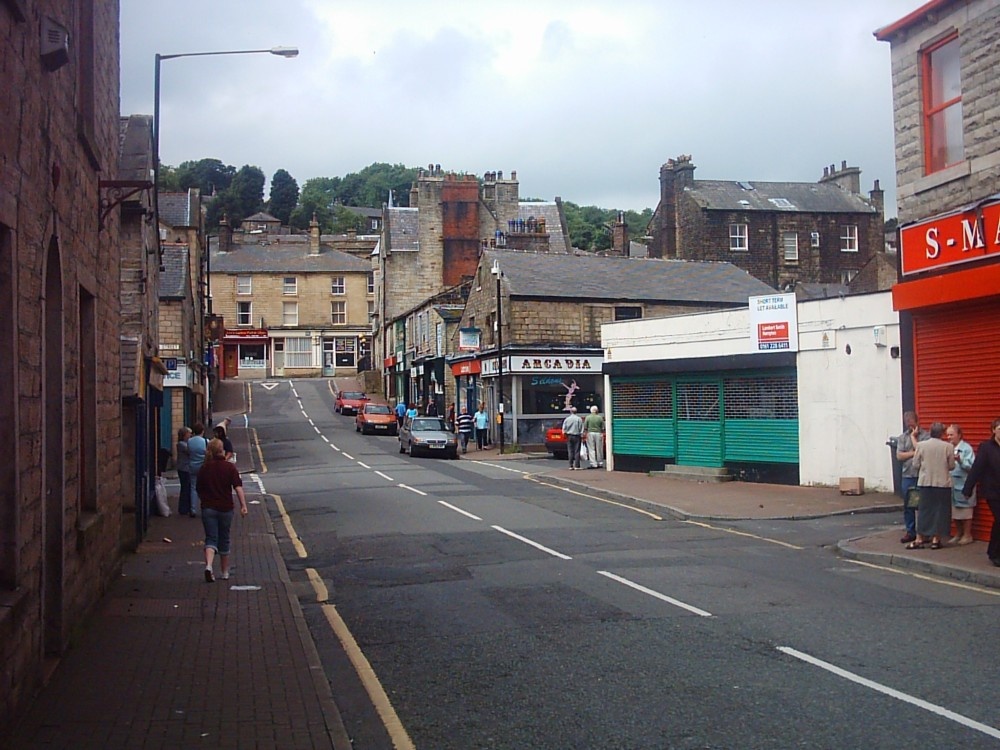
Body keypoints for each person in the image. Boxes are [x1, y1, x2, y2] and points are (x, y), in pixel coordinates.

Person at [196, 438, 248, 582]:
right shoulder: (229, 467)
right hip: (225, 508)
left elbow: (198, 488)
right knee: (224, 539)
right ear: (222, 450)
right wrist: (243, 505)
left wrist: (205, 501)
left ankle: (209, 566)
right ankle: (225, 572)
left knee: (211, 539)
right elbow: (238, 487)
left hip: (208, 508)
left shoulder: (204, 468)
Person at [908, 422, 955, 550]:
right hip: (942, 484)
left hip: (925, 483)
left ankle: (920, 538)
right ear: (942, 433)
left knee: (924, 511)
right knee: (940, 512)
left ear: (930, 432)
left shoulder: (921, 446)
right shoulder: (948, 447)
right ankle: (936, 539)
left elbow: (915, 464)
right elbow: (952, 466)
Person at [963, 417, 1000, 567]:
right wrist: (968, 488)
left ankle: (994, 550)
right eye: (999, 429)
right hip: (992, 491)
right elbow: (977, 468)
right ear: (993, 431)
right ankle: (994, 553)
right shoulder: (986, 447)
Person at [895, 411, 929, 544]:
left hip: (922, 475)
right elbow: (899, 456)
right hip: (908, 475)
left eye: (911, 423)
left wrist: (912, 451)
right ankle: (910, 531)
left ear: (917, 422)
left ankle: (924, 532)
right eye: (907, 423)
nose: (909, 426)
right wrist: (915, 453)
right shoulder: (902, 438)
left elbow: (924, 453)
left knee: (923, 505)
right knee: (908, 505)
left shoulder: (925, 436)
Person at [947, 424, 976, 545]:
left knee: (966, 510)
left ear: (959, 435)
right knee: (955, 510)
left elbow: (972, 467)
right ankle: (958, 533)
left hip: (964, 483)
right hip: (952, 484)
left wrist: (960, 460)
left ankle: (967, 535)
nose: (949, 437)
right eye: (947, 435)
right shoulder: (948, 448)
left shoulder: (966, 448)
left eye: (951, 435)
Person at [187, 422, 209, 518]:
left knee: (193, 488)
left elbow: (188, 453)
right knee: (205, 488)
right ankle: (205, 507)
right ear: (202, 431)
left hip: (192, 466)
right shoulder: (206, 441)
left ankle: (193, 509)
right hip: (203, 467)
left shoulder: (189, 441)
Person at [175, 426, 193, 516]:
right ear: (184, 435)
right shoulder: (182, 444)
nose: (190, 435)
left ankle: (186, 507)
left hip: (185, 468)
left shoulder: (185, 443)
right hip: (184, 468)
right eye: (189, 433)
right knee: (186, 488)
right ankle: (183, 508)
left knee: (187, 488)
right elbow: (190, 451)